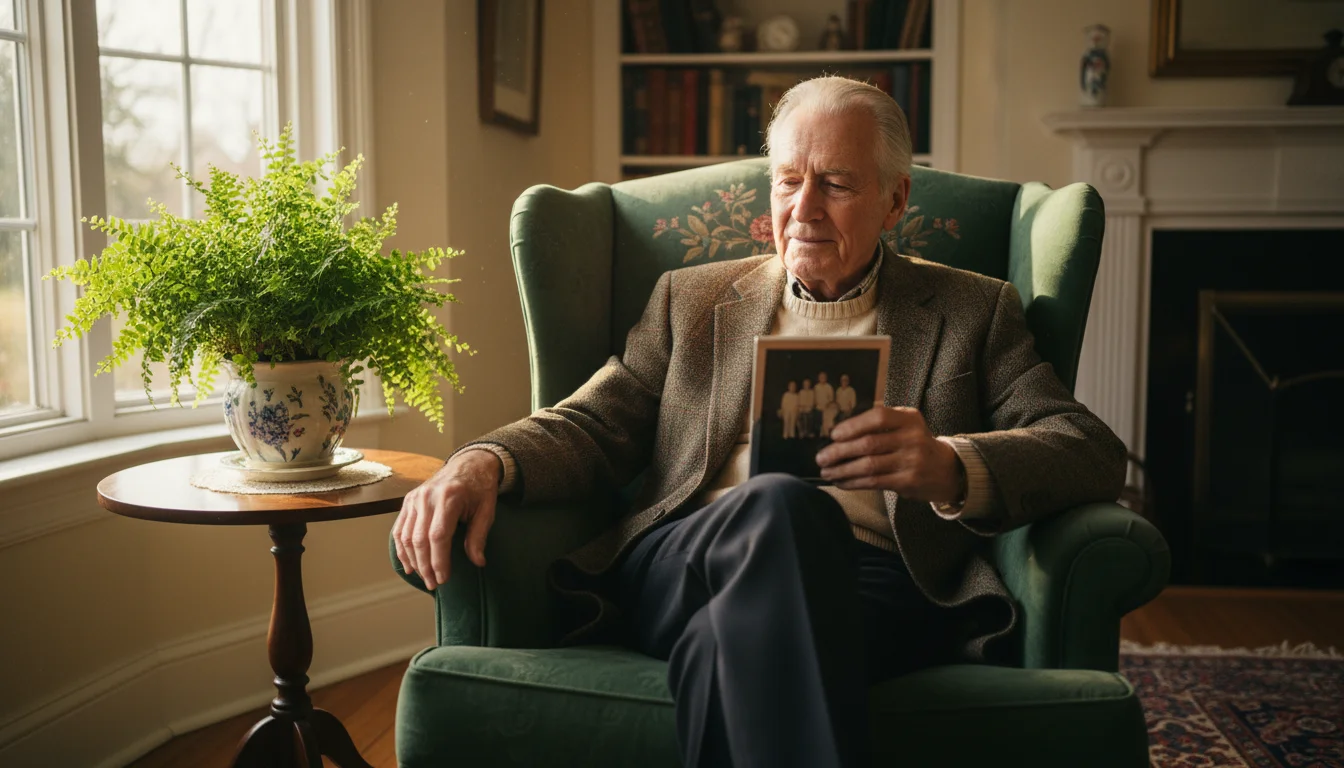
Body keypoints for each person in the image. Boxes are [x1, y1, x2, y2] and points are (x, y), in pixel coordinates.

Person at [393, 75, 1126, 768]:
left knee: (726, 643)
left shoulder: (973, 310)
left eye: (836, 184)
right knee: (779, 501)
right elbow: (594, 422)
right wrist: (484, 458)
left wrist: (950, 464)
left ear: (895, 200)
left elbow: (1086, 448)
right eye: (787, 181)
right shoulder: (692, 299)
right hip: (686, 558)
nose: (803, 209)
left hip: (873, 577)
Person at [814, 371, 837, 437]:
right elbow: (814, 398)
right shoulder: (816, 387)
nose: (822, 378)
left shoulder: (829, 387)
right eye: (821, 377)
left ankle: (826, 434)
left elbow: (831, 399)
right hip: (818, 408)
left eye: (824, 377)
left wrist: (827, 405)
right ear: (819, 378)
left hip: (827, 408)